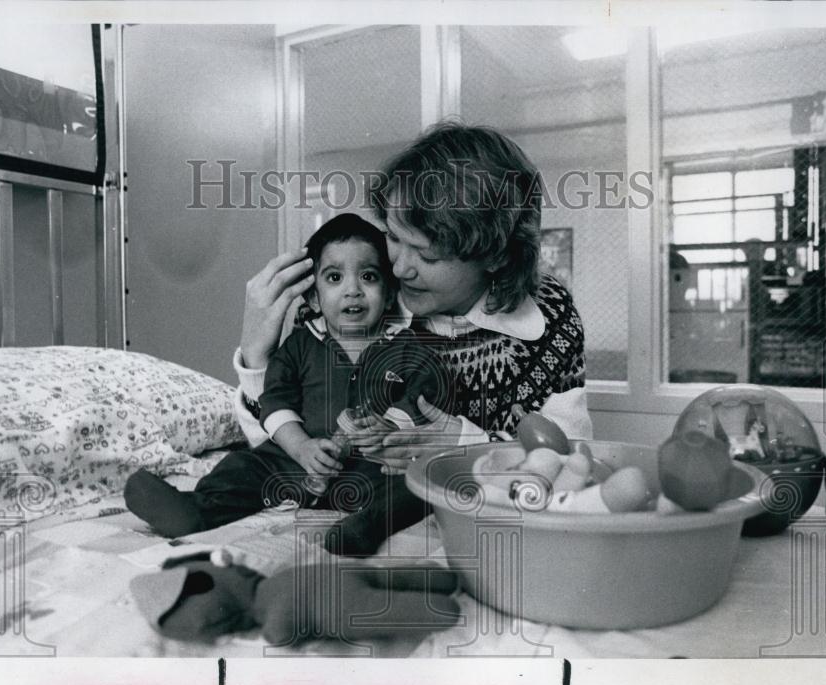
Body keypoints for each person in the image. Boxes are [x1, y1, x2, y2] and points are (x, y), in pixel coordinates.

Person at [234, 122, 593, 556]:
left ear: (496, 256)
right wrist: (255, 357)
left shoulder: (548, 314)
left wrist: (461, 444)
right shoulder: (362, 294)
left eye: (426, 255)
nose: (399, 268)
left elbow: (569, 464)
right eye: (392, 237)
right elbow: (281, 447)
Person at [123, 213, 451, 538]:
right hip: (296, 464)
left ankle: (363, 530)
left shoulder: (408, 348)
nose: (353, 290)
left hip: (371, 468)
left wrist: (391, 429)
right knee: (244, 466)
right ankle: (195, 509)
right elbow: (275, 402)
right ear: (313, 297)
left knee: (415, 484)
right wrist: (301, 447)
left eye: (368, 277)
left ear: (391, 293)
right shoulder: (300, 346)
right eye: (335, 278)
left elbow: (424, 399)